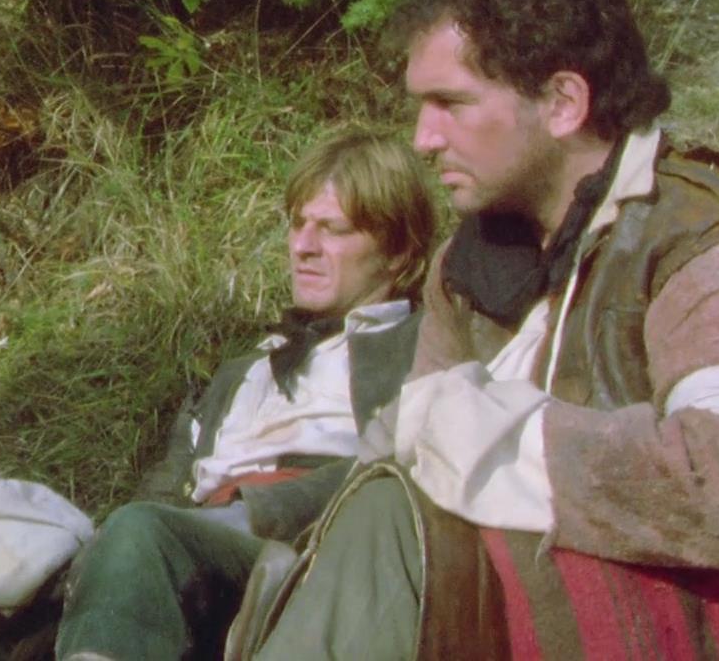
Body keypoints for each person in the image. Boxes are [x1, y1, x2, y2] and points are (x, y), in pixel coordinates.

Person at [245, 0, 719, 660]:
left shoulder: (717, 247)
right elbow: (414, 443)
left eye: (450, 103)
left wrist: (484, 432)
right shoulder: (469, 268)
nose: (422, 138)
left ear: (564, 102)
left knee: (389, 516)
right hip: (531, 596)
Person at [48, 129, 437, 661]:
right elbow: (163, 486)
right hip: (188, 538)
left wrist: (257, 510)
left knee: (139, 532)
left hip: (306, 541)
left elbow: (403, 466)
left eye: (332, 229)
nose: (302, 246)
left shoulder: (421, 347)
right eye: (297, 224)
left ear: (397, 251)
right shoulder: (244, 369)